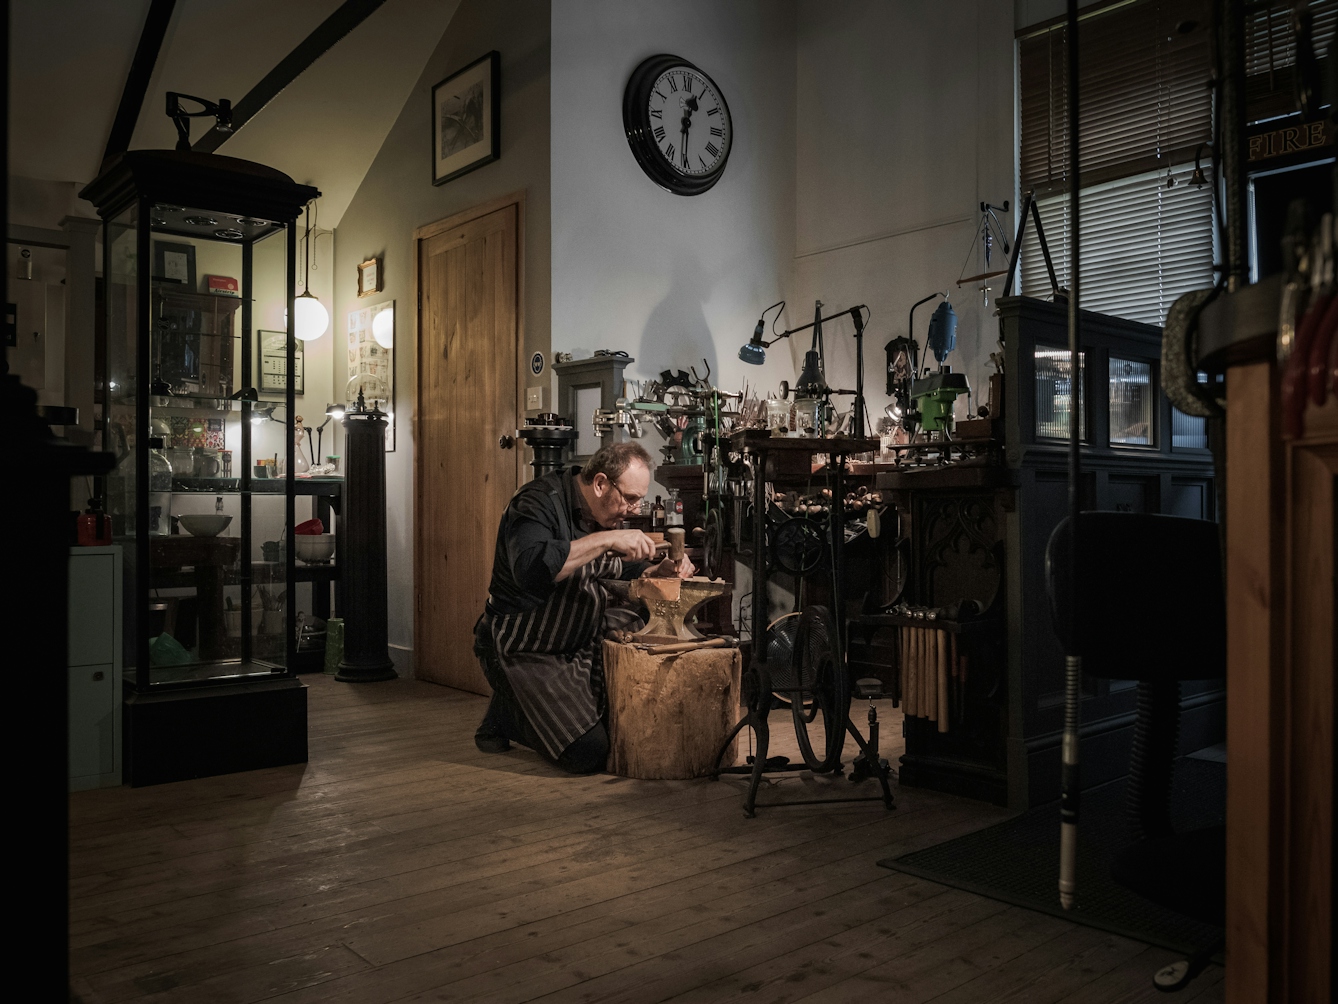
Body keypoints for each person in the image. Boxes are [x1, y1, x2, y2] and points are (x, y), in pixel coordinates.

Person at [473, 441, 694, 773]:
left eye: (639, 500)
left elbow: (617, 568)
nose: (635, 509)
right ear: (601, 483)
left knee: (623, 718)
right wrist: (604, 540)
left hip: (575, 637)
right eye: (631, 499)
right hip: (525, 643)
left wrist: (655, 570)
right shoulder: (535, 503)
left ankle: (516, 705)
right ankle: (506, 715)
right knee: (588, 753)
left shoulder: (605, 510)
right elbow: (532, 569)